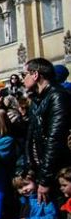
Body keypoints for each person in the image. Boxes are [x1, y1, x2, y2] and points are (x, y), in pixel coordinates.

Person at [24, 58, 71, 207]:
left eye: (25, 74)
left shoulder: (57, 96)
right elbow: (31, 137)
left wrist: (45, 179)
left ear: (35, 75)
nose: (23, 79)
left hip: (56, 173)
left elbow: (54, 139)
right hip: (42, 170)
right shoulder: (37, 99)